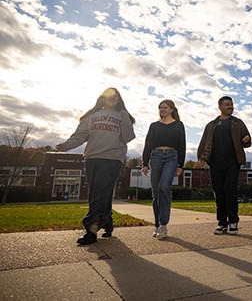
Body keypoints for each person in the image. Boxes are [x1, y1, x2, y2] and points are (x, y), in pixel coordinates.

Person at [56, 88, 135, 245]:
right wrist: (65, 146)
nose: (112, 98)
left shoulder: (122, 116)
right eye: (108, 96)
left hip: (112, 159)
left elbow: (128, 137)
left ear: (119, 99)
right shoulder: (92, 116)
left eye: (115, 96)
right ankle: (107, 222)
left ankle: (90, 230)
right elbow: (80, 136)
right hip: (92, 158)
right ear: (102, 98)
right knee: (100, 193)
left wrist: (124, 116)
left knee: (98, 194)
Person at [197, 96, 251, 235]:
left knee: (230, 190)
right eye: (227, 104)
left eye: (231, 104)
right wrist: (201, 157)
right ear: (220, 107)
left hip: (233, 162)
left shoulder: (238, 123)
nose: (230, 107)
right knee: (219, 192)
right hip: (215, 163)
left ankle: (233, 222)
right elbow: (204, 142)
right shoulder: (211, 125)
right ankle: (222, 223)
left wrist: (246, 140)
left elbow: (247, 141)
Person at [142, 100, 186, 240]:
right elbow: (148, 144)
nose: (162, 109)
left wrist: (181, 165)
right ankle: (157, 224)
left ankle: (163, 224)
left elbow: (182, 145)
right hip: (155, 157)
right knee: (156, 192)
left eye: (165, 107)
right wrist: (144, 163)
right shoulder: (154, 126)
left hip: (172, 157)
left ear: (172, 109)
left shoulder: (178, 125)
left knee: (164, 187)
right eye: (160, 107)